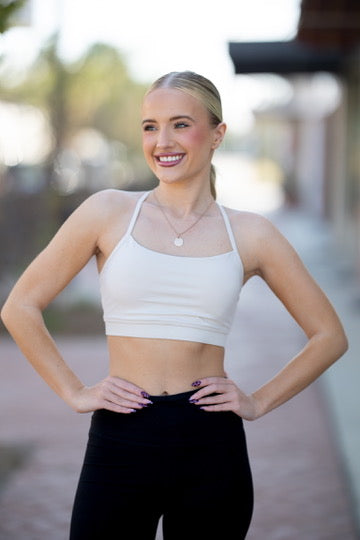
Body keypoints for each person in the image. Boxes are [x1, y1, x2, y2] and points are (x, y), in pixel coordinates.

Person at [1, 71, 348, 540]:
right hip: (120, 435)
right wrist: (75, 391)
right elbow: (19, 305)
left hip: (211, 441)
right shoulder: (107, 211)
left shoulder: (250, 233)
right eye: (150, 126)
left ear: (217, 134)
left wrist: (259, 400)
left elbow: (330, 335)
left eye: (181, 124)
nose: (162, 141)